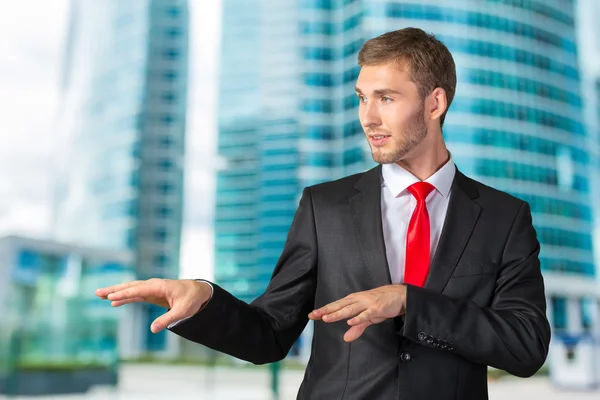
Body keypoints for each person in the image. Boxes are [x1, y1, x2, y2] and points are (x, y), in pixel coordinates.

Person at [96, 27, 551, 399]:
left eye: (386, 98)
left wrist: (411, 303)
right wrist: (204, 301)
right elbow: (270, 334)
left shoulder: (503, 217)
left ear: (435, 103)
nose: (368, 117)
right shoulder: (324, 206)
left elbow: (526, 346)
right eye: (361, 97)